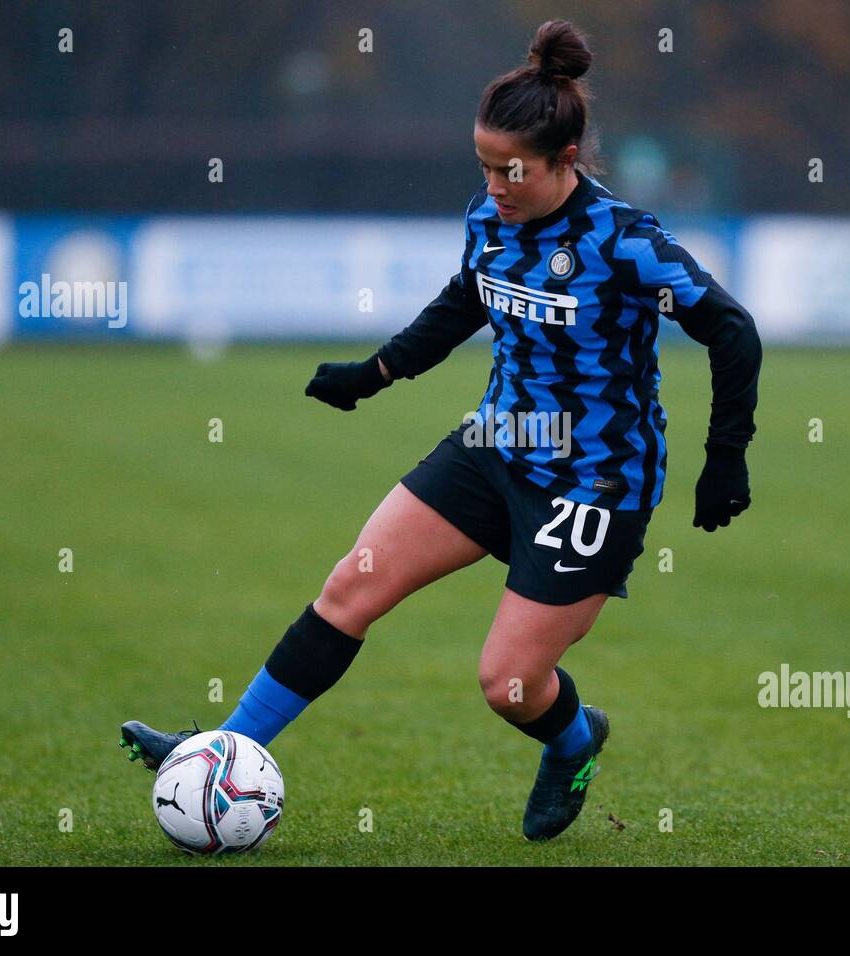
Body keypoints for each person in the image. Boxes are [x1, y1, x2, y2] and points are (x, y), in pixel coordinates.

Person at [121, 19, 762, 843]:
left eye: (513, 169)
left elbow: (732, 329)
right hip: (494, 447)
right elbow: (466, 300)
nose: (494, 184)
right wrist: (375, 374)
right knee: (350, 589)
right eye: (485, 166)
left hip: (591, 477)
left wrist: (725, 460)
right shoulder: (491, 218)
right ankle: (224, 751)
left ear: (565, 161)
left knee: (510, 686)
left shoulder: (623, 242)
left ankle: (574, 741)